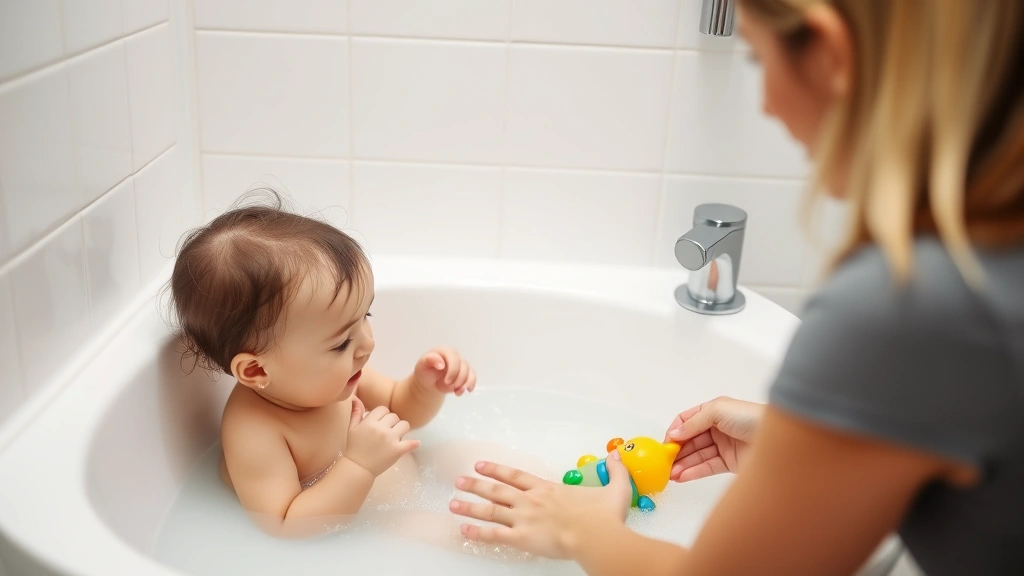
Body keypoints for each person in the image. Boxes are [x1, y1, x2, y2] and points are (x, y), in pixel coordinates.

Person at [448, 0, 1024, 573]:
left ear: (829, 54)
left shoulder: (908, 305)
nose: (768, 105)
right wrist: (797, 443)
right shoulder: (984, 270)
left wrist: (579, 528)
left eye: (757, 58)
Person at [169, 194, 477, 537]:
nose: (368, 344)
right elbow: (284, 525)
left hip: (413, 478)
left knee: (477, 460)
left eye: (366, 316)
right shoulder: (255, 432)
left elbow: (399, 409)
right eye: (342, 342)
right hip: (381, 525)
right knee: (456, 536)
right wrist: (358, 466)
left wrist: (424, 387)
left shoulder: (336, 379)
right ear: (257, 371)